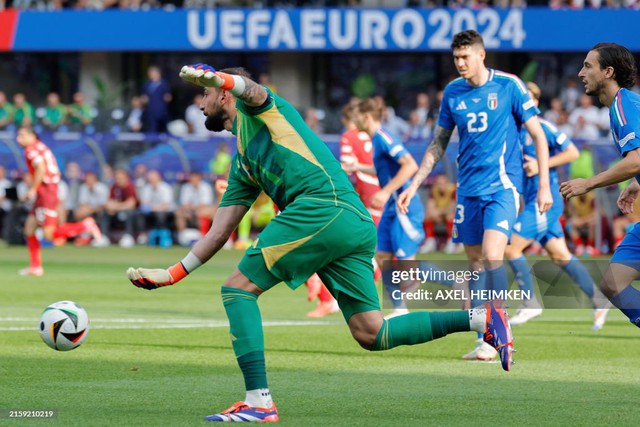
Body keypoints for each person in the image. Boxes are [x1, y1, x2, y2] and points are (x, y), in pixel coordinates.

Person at [127, 63, 514, 422]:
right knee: (371, 333)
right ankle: (482, 318)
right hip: (351, 221)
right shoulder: (242, 161)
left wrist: (221, 79)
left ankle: (259, 402)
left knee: (237, 291)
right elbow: (218, 232)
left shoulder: (261, 112)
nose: (201, 102)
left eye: (206, 95)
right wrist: (172, 274)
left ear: (224, 96)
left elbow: (255, 92)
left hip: (321, 208)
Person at [397, 30, 553, 362]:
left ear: (481, 55)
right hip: (467, 192)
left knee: (493, 254)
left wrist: (543, 185)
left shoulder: (509, 85)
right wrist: (413, 184)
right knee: (475, 265)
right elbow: (438, 144)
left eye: (465, 57)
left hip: (502, 188)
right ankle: (486, 339)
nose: (460, 63)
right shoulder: (453, 93)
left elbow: (538, 136)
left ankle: (502, 323)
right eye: (456, 58)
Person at [504, 82, 610, 330]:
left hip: (545, 201)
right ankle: (599, 298)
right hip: (532, 201)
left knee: (510, 249)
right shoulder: (515, 130)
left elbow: (572, 152)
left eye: (526, 99)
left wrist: (542, 165)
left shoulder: (542, 127)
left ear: (535, 103)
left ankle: (530, 303)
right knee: (561, 255)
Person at [560, 42, 640, 329]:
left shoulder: (624, 105)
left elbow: (636, 159)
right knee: (613, 284)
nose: (581, 73)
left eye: (588, 66)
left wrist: (589, 183)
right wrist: (635, 184)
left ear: (608, 71)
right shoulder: (621, 107)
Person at [351, 97, 425, 318]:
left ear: (365, 116)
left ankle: (457, 286)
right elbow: (385, 168)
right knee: (382, 256)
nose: (353, 122)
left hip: (404, 205)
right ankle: (400, 309)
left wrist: (384, 192)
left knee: (406, 264)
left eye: (356, 116)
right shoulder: (376, 139)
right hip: (392, 208)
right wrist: (358, 166)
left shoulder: (383, 137)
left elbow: (410, 165)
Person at [16, 126, 101, 276]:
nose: (19, 139)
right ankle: (36, 267)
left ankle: (84, 226)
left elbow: (41, 169)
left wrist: (32, 189)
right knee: (29, 228)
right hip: (48, 189)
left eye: (22, 135)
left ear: (32, 135)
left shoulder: (31, 150)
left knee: (49, 234)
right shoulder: (41, 146)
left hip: (46, 191)